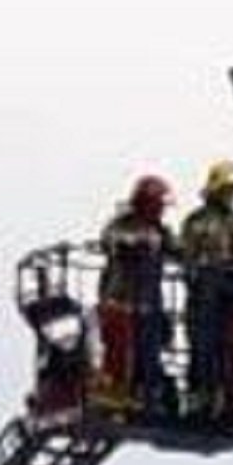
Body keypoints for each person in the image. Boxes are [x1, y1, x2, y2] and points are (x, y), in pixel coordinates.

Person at [178, 160, 233, 424]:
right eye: (226, 189)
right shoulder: (196, 221)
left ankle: (229, 402)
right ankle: (198, 402)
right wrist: (201, 268)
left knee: (230, 350)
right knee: (201, 350)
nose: (230, 195)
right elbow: (186, 256)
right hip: (203, 297)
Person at [93, 173, 175, 418]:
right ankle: (114, 396)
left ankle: (146, 396)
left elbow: (178, 249)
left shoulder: (160, 230)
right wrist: (131, 243)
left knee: (149, 351)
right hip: (119, 298)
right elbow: (107, 240)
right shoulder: (122, 224)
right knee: (118, 350)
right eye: (158, 204)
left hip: (149, 303)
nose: (161, 210)